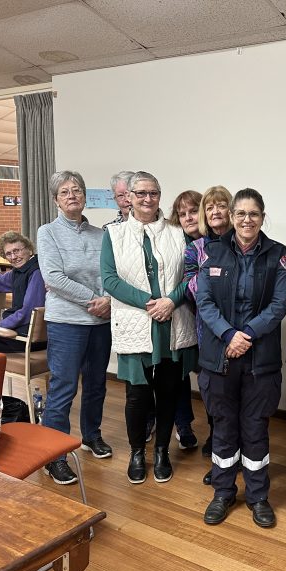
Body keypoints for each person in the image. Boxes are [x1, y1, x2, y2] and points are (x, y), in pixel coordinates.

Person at [196, 188, 286, 527]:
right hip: (220, 356)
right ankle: (223, 493)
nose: (247, 220)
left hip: (259, 358)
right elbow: (204, 302)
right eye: (241, 214)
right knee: (223, 427)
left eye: (254, 214)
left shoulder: (277, 254)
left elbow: (279, 305)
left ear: (263, 217)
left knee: (255, 429)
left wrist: (246, 334)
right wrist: (228, 335)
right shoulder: (213, 252)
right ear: (232, 217)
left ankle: (257, 496)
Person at [101, 171, 198, 485]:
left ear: (159, 196)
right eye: (140, 193)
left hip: (171, 321)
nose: (147, 199)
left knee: (168, 392)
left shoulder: (176, 231)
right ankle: (136, 452)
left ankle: (162, 452)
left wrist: (170, 300)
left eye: (153, 193)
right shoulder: (113, 235)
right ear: (128, 197)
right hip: (137, 322)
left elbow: (190, 274)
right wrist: (150, 302)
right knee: (136, 396)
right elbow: (110, 280)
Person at [38, 170, 113, 485]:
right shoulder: (48, 232)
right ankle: (53, 456)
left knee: (96, 383)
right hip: (67, 322)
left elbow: (113, 273)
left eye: (77, 190)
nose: (72, 195)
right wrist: (94, 299)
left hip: (101, 320)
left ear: (84, 196)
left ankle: (91, 435)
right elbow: (53, 278)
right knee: (63, 386)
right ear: (56, 199)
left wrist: (108, 299)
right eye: (65, 192)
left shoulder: (101, 234)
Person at [183, 185, 233, 484]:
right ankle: (218, 445)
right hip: (208, 331)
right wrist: (216, 285)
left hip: (240, 332)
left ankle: (237, 451)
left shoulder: (242, 241)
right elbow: (192, 289)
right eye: (210, 207)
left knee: (239, 396)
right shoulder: (195, 249)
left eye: (221, 205)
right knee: (214, 395)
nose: (215, 212)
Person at [165, 189, 203, 450]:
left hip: (211, 321)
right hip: (183, 316)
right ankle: (184, 424)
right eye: (182, 214)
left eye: (193, 211)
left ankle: (217, 434)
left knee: (211, 379)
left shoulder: (220, 239)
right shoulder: (174, 243)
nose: (189, 218)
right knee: (179, 374)